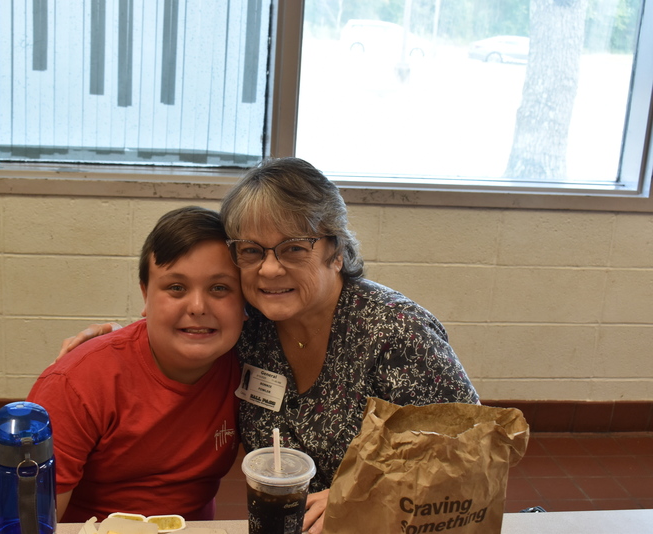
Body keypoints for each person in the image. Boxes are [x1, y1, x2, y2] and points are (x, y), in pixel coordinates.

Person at [58, 157, 479, 533]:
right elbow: (192, 315)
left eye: (294, 247)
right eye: (253, 251)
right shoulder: (254, 324)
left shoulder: (396, 333)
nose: (270, 269)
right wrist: (117, 342)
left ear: (335, 250)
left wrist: (364, 495)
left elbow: (473, 451)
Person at [29, 206, 246, 523]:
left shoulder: (250, 361)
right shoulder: (76, 384)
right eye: (176, 287)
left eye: (220, 288)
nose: (198, 307)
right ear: (145, 295)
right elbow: (32, 522)